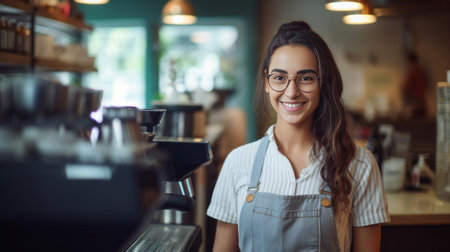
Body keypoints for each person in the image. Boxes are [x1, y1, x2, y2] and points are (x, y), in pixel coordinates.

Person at [206, 21, 390, 252]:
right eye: (280, 78)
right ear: (266, 82)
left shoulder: (360, 164)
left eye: (306, 78)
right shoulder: (238, 162)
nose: (291, 92)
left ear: (323, 83)